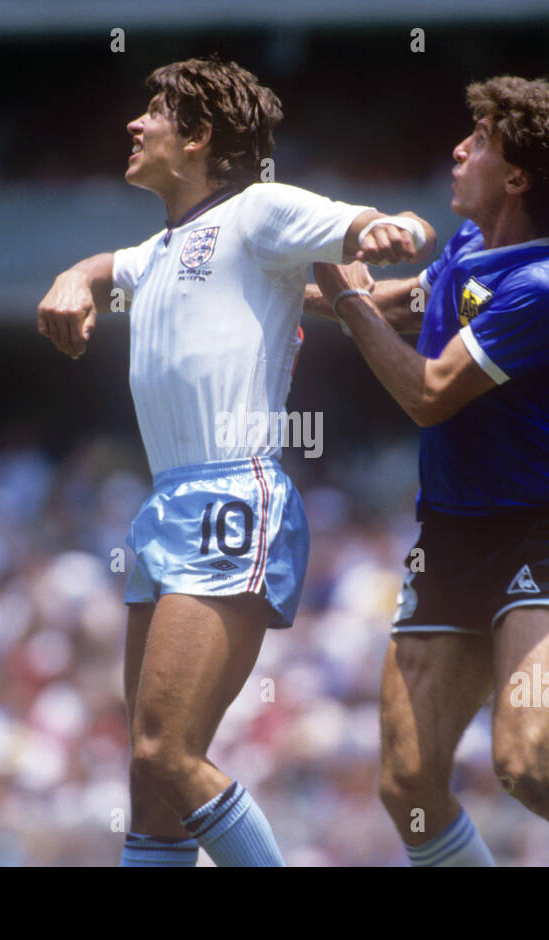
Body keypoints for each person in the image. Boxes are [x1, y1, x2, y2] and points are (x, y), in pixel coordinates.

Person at [36, 55, 434, 866]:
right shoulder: (162, 248)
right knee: (150, 785)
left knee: (165, 753)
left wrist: (389, 229)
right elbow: (113, 267)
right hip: (167, 504)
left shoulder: (259, 211)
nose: (134, 124)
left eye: (153, 112)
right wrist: (73, 276)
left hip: (231, 492)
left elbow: (354, 223)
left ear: (199, 136)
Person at [308, 76, 549, 866]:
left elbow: (427, 392)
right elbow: (388, 306)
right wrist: (264, 280)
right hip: (449, 539)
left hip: (537, 540)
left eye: (480, 139)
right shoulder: (472, 249)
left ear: (518, 178)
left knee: (529, 767)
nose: (459, 149)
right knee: (407, 788)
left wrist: (338, 282)